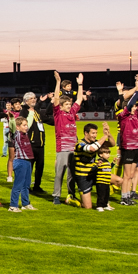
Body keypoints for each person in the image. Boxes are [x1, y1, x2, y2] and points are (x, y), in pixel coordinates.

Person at [50, 72, 84, 205]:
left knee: (72, 174)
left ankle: (71, 194)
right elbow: (57, 100)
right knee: (60, 173)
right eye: (67, 105)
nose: (70, 106)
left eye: (70, 104)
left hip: (73, 147)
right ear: (62, 106)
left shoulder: (72, 113)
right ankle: (56, 196)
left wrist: (80, 84)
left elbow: (79, 99)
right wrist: (58, 82)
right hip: (63, 148)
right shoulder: (58, 114)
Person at [72, 123, 114, 209]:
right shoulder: (80, 144)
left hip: (94, 172)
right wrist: (104, 136)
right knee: (87, 206)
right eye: (93, 133)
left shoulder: (96, 143)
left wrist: (108, 134)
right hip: (83, 176)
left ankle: (104, 200)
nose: (95, 135)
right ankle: (72, 199)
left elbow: (112, 144)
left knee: (118, 180)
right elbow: (92, 148)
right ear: (86, 133)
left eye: (96, 133)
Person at [8, 116, 36, 211]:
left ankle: (25, 203)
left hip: (27, 161)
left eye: (26, 125)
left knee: (26, 185)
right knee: (18, 185)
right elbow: (12, 128)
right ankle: (13, 205)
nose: (26, 127)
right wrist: (12, 119)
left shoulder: (25, 134)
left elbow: (30, 121)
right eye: (24, 125)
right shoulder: (17, 134)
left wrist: (31, 111)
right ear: (18, 127)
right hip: (20, 161)